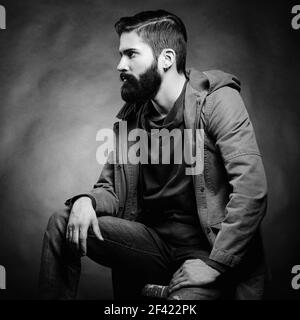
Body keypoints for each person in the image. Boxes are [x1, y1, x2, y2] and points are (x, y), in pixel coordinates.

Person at [38, 9, 268, 300]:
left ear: (166, 59)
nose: (120, 64)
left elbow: (252, 190)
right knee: (63, 221)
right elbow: (111, 190)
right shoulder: (131, 119)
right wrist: (87, 200)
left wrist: (216, 264)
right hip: (152, 246)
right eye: (120, 54)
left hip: (207, 251)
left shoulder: (217, 101)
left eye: (131, 54)